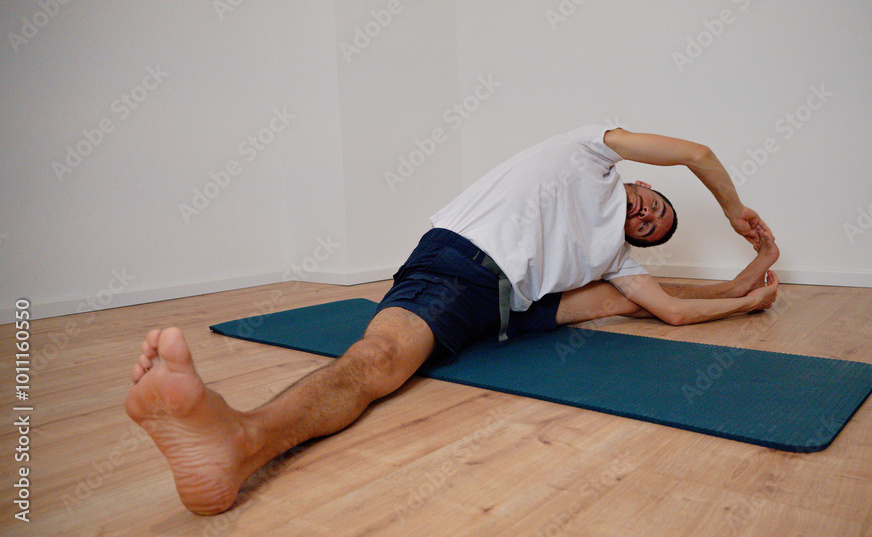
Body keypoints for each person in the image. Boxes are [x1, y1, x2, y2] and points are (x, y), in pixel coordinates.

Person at [125, 125, 780, 515]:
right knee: (379, 360)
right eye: (651, 206)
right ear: (642, 183)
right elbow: (698, 153)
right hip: (463, 266)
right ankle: (240, 442)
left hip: (507, 305)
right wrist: (735, 211)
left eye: (652, 229)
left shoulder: (614, 254)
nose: (645, 217)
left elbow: (670, 310)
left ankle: (240, 442)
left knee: (626, 298)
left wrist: (741, 294)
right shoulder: (590, 150)